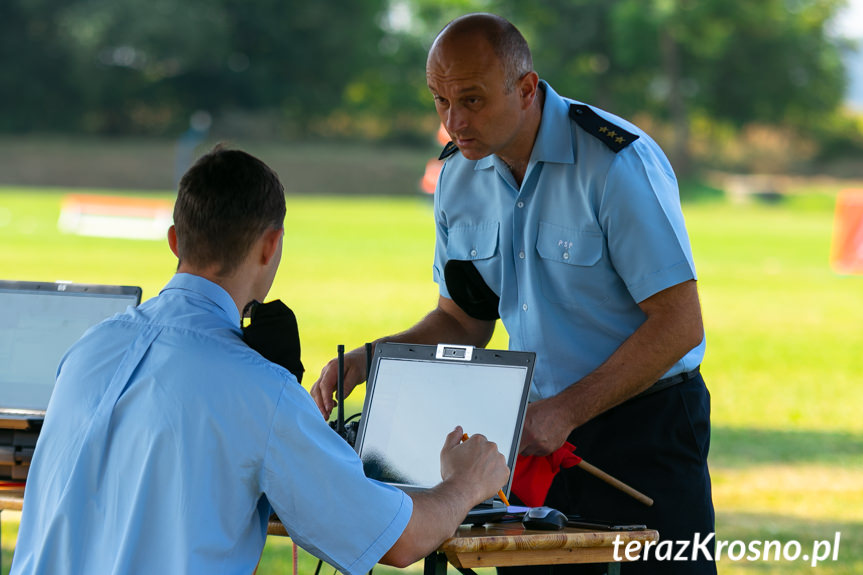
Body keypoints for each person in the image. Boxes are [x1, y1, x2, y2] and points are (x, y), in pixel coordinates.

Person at [311, 13, 715, 574]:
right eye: (439, 101)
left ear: (526, 89)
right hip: (525, 435)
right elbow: (463, 320)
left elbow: (680, 323)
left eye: (472, 100)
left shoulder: (615, 161)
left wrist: (564, 412)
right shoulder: (459, 175)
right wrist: (372, 358)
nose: (454, 121)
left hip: (641, 431)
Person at [10, 146, 509, 575]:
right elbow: (398, 539)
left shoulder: (90, 347)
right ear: (271, 245)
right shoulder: (261, 389)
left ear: (175, 241)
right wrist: (464, 483)